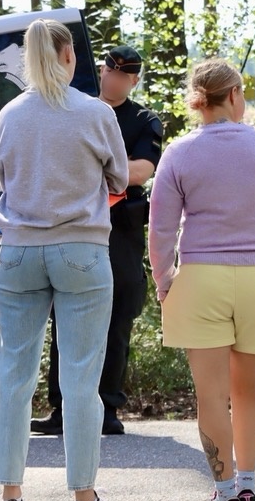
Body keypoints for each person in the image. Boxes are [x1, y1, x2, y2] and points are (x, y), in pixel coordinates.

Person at [149, 59, 255, 501]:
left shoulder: (179, 152)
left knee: (211, 394)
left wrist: (164, 281)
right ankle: (248, 488)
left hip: (201, 278)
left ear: (198, 100)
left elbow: (161, 229)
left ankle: (224, 495)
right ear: (234, 94)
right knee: (248, 388)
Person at [0, 19, 128, 501]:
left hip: (19, 251)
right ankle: (84, 500)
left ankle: (11, 498)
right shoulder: (95, 112)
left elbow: (5, 176)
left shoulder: (10, 113)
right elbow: (119, 177)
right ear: (69, 55)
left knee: (14, 374)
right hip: (81, 250)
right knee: (80, 376)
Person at [32, 46, 163, 437]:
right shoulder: (77, 108)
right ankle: (62, 408)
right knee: (66, 315)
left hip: (120, 229)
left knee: (117, 317)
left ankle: (107, 406)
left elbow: (141, 171)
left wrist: (94, 169)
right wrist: (106, 171)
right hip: (74, 224)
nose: (113, 78)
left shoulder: (143, 120)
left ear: (134, 80)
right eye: (109, 70)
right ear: (101, 69)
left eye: (123, 75)